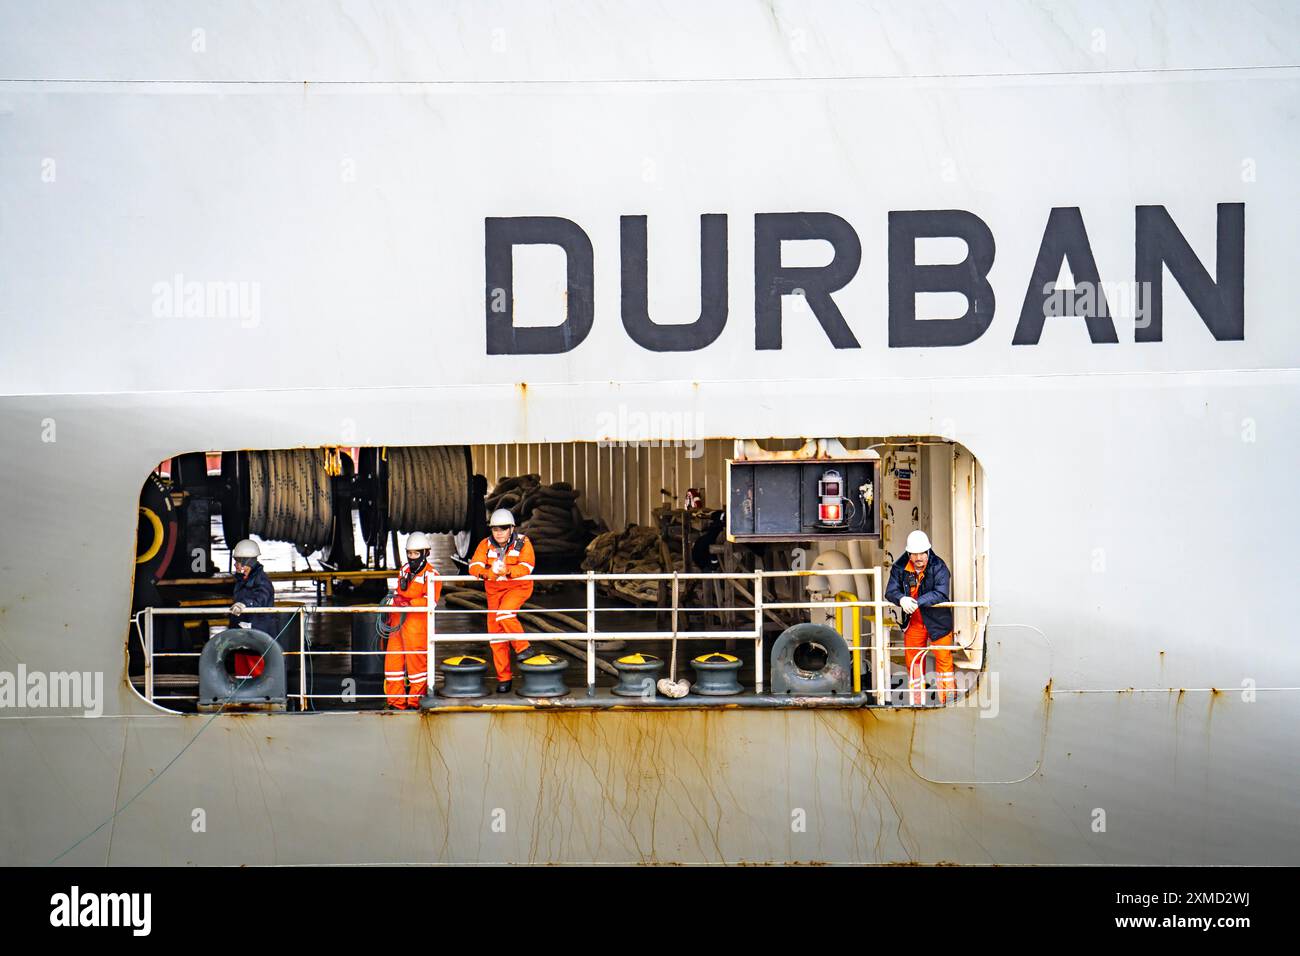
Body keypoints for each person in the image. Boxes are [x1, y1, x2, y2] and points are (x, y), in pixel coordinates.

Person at [468, 509, 536, 693]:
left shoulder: (523, 543)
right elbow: (474, 566)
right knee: (496, 638)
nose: (499, 532)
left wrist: (507, 571)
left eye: (503, 528)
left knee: (505, 615)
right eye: (495, 528)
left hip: (517, 588)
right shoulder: (485, 544)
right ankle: (504, 679)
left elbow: (528, 566)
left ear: (512, 528)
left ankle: (524, 648)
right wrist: (488, 573)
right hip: (494, 593)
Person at [885, 530, 956, 705]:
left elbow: (941, 593)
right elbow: (890, 591)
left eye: (922, 554)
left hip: (938, 623)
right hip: (914, 623)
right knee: (914, 664)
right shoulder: (899, 567)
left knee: (944, 664)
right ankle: (918, 704)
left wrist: (916, 601)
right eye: (914, 554)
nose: (918, 558)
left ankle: (949, 704)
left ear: (928, 551)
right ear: (908, 553)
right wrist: (901, 599)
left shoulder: (939, 566)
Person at [384, 532, 441, 710]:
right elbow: (397, 594)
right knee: (392, 665)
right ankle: (395, 702)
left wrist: (408, 602)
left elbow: (430, 601)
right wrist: (393, 602)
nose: (412, 557)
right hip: (397, 625)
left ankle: (415, 703)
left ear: (425, 553)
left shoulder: (432, 575)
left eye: (416, 554)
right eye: (410, 553)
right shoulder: (404, 570)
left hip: (416, 628)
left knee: (417, 668)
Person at [228, 539, 276, 679]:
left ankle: (260, 696)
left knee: (257, 671)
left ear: (247, 562)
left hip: (257, 636)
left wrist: (245, 605)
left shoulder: (262, 581)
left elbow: (262, 597)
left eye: (238, 561)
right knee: (242, 671)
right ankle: (244, 697)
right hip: (242, 636)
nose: (235, 564)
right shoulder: (242, 581)